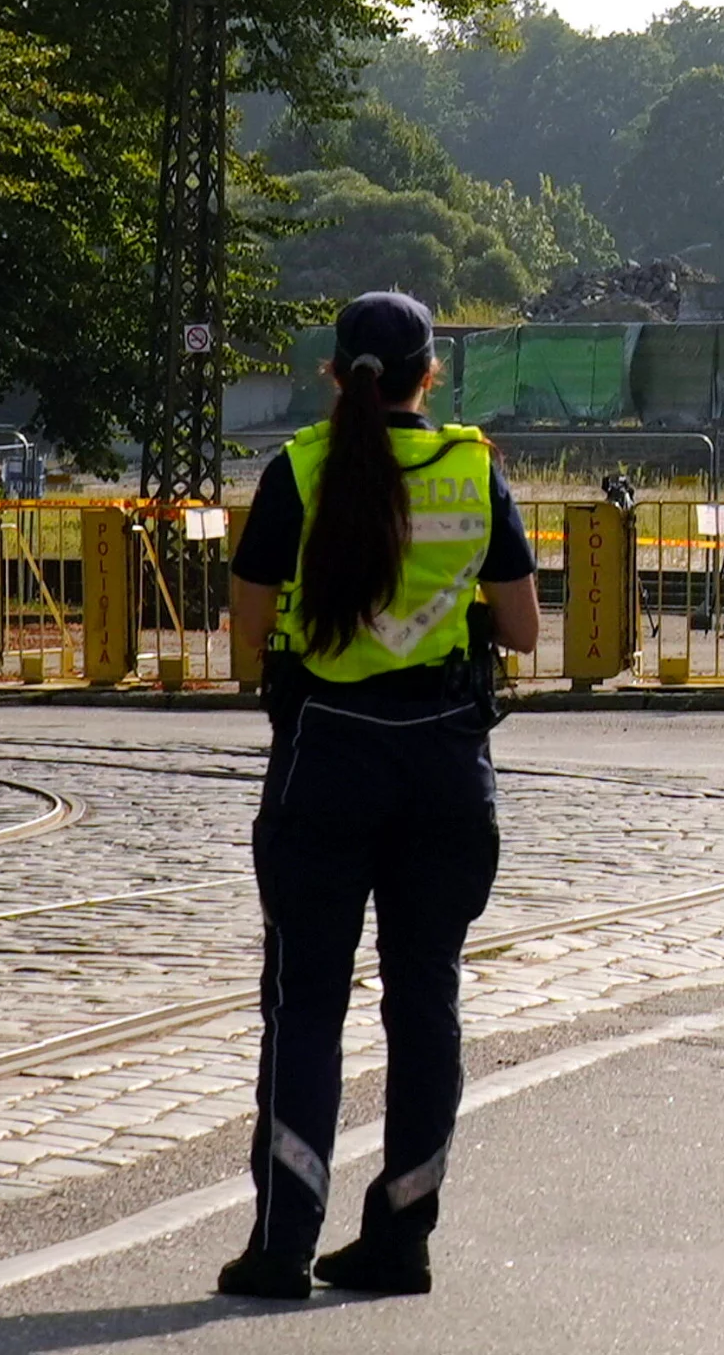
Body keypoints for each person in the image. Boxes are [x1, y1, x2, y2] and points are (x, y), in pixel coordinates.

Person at [216, 292, 540, 1302]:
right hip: (444, 763)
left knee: (305, 1003)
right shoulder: (473, 469)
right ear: (428, 374)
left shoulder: (299, 469)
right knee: (425, 999)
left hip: (328, 756)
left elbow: (244, 638)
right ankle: (400, 1237)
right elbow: (525, 628)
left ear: (334, 372)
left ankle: (282, 1244)